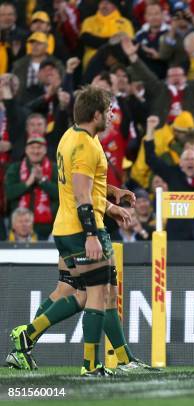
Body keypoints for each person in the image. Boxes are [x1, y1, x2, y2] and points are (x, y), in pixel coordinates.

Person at [8, 86, 153, 375]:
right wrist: (91, 234)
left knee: (83, 292)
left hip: (67, 225)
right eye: (110, 110)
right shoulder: (86, 145)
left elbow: (84, 184)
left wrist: (112, 195)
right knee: (97, 293)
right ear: (96, 113)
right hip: (82, 228)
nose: (113, 116)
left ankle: (121, 358)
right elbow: (81, 193)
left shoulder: (72, 136)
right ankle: (88, 364)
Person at [3, 135, 58, 240]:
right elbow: (9, 193)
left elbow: (62, 195)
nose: (36, 151)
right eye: (32, 148)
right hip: (19, 230)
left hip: (49, 229)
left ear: (45, 150)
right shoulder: (15, 168)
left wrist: (42, 180)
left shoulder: (55, 168)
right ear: (26, 150)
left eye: (39, 148)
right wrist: (28, 183)